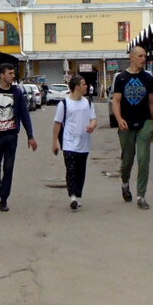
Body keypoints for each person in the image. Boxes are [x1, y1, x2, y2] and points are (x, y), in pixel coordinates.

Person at [0, 63, 37, 211]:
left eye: (13, 73)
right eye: (10, 73)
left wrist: (30, 136)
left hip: (11, 136)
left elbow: (24, 114)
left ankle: (4, 200)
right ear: (2, 75)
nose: (13, 75)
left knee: (9, 168)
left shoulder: (17, 92)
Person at [111, 46, 153, 209]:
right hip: (126, 124)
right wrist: (119, 118)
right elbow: (116, 101)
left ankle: (141, 196)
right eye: (140, 56)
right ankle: (125, 183)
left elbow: (152, 103)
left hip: (144, 122)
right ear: (131, 58)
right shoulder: (121, 78)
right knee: (127, 161)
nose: (143, 59)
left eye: (145, 56)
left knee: (144, 159)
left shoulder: (148, 78)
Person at [52, 74, 97, 210]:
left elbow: (93, 119)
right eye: (84, 84)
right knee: (71, 169)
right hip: (69, 142)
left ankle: (77, 195)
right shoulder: (64, 104)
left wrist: (92, 126)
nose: (86, 86)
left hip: (84, 143)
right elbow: (57, 124)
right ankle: (72, 196)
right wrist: (55, 142)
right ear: (77, 87)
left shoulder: (88, 103)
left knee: (80, 170)